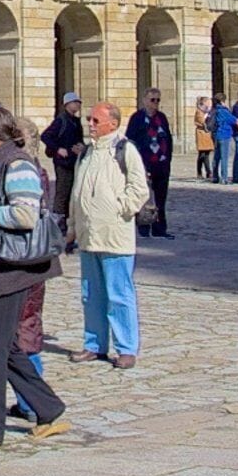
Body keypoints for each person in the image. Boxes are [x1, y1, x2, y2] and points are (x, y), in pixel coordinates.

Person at [0, 122, 69, 445]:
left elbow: (25, 216)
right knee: (6, 350)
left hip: (8, 271)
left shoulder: (17, 165)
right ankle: (49, 409)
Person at [75, 98, 154, 362]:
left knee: (119, 295)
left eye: (95, 120)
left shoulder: (125, 149)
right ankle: (94, 343)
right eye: (89, 119)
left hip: (114, 236)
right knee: (91, 295)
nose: (90, 124)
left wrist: (121, 209)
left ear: (113, 123)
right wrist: (73, 226)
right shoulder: (86, 153)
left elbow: (139, 188)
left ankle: (126, 348)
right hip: (89, 236)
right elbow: (77, 193)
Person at [124, 89, 176, 240]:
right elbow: (130, 141)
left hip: (161, 164)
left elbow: (168, 139)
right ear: (145, 100)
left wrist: (167, 159)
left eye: (158, 100)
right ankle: (144, 226)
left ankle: (159, 228)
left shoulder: (161, 117)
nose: (155, 103)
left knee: (161, 198)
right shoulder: (137, 118)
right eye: (152, 100)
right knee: (144, 197)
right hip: (144, 164)